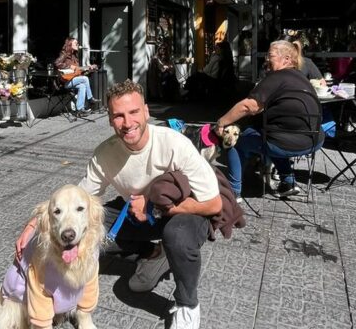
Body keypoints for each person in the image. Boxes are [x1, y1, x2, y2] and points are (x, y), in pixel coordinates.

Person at [16, 80, 222, 329]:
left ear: (146, 111)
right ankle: (153, 254)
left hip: (185, 214)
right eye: (118, 116)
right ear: (110, 120)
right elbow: (77, 199)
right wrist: (35, 223)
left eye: (134, 112)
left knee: (176, 235)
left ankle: (188, 306)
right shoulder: (105, 154)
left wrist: (155, 208)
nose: (127, 123)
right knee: (91, 230)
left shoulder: (174, 144)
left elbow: (213, 204)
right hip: (136, 213)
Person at [216, 40, 324, 198]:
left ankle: (232, 193)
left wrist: (221, 122)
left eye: (270, 55)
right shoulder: (302, 78)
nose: (266, 58)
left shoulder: (277, 77)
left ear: (286, 59)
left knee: (235, 141)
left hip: (284, 142)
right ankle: (288, 182)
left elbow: (249, 106)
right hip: (313, 141)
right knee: (270, 134)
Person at [54, 37, 99, 116]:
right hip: (64, 82)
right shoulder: (64, 54)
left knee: (82, 86)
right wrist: (69, 66)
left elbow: (77, 71)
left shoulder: (74, 56)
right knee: (85, 79)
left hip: (72, 80)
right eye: (76, 43)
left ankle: (79, 110)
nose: (78, 45)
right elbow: (57, 63)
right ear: (70, 44)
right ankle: (90, 98)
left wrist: (88, 69)